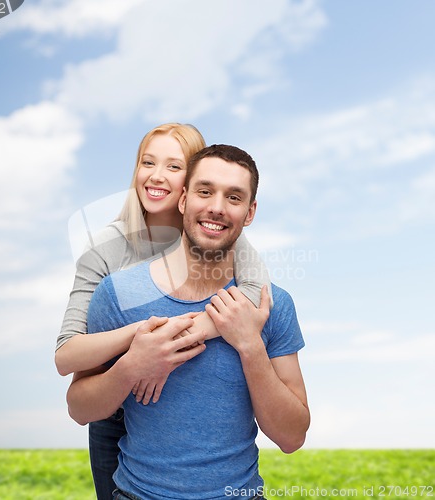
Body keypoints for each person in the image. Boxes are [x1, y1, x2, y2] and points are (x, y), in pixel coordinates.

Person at [67, 144, 310, 500]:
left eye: (234, 197)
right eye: (205, 191)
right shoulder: (116, 293)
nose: (216, 207)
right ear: (182, 200)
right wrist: (132, 366)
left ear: (250, 212)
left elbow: (292, 437)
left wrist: (249, 345)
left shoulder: (272, 305)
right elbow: (78, 408)